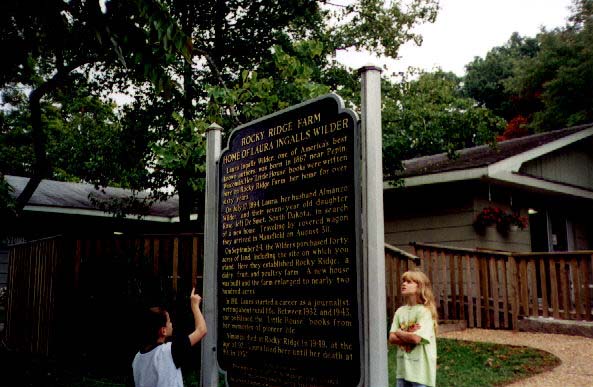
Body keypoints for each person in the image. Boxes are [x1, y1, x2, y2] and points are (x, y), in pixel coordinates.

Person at [132, 288, 207, 387]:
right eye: (169, 321)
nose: (171, 323)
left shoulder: (137, 358)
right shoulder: (170, 351)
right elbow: (202, 330)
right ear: (163, 331)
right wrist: (195, 305)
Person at [389, 270, 438, 387]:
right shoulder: (400, 311)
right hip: (402, 371)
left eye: (409, 282)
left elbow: (416, 339)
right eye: (403, 281)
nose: (404, 284)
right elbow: (391, 338)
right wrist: (408, 334)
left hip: (420, 373)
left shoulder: (425, 312)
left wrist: (399, 332)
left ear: (420, 287)